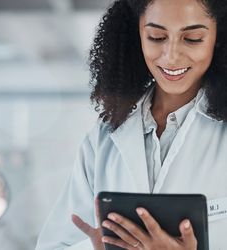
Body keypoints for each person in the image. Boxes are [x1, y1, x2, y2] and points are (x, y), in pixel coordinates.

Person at [36, 0, 227, 249]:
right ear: (136, 35)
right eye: (156, 37)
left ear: (219, 38)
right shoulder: (103, 140)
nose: (171, 56)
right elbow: (54, 244)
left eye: (192, 39)